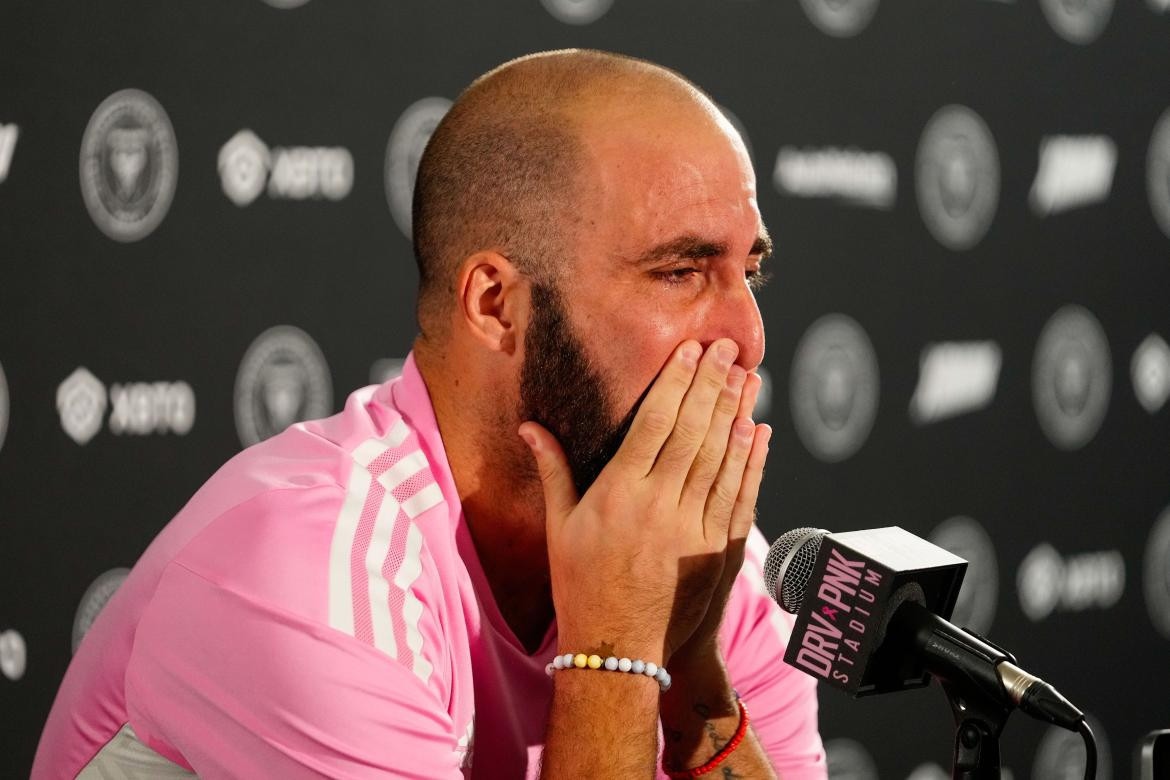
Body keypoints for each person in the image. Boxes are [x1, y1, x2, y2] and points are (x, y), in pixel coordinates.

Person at [33, 49, 826, 779]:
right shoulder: (317, 574)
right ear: (495, 306)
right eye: (681, 271)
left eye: (749, 270)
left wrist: (690, 677)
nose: (749, 337)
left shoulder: (710, 560)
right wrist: (617, 649)